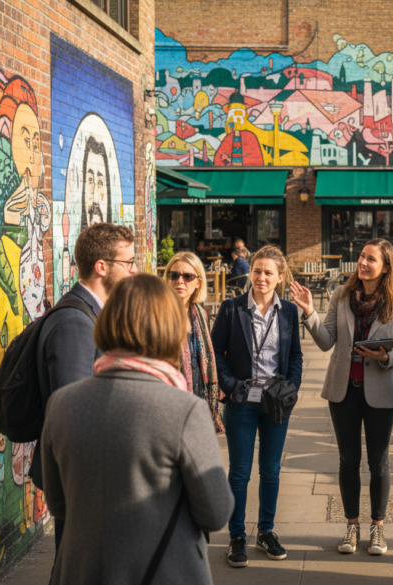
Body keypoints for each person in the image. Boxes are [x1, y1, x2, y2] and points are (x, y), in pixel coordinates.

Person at [40, 274, 233, 585]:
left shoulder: (61, 404)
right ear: (169, 328)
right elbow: (216, 512)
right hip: (165, 572)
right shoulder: (184, 410)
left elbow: (58, 503)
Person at [289, 239, 393, 556]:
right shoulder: (342, 296)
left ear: (386, 267)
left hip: (381, 391)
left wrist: (384, 357)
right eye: (361, 256)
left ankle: (378, 529)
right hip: (342, 391)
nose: (363, 262)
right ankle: (352, 526)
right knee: (348, 461)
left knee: (379, 462)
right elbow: (326, 340)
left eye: (371, 259)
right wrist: (308, 312)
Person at [31, 222, 137, 553]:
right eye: (128, 263)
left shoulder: (93, 312)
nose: (133, 271)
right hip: (83, 480)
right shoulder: (76, 322)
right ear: (102, 266)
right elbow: (74, 413)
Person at [211, 245, 304, 567]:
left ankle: (266, 531)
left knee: (271, 470)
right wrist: (232, 387)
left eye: (268, 273)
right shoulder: (231, 308)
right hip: (241, 403)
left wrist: (291, 388)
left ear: (280, 277)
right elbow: (215, 354)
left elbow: (294, 356)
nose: (261, 277)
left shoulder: (289, 311)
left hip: (276, 403)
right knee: (239, 473)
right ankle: (237, 535)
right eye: (257, 271)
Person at [164, 252, 223, 433]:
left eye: (188, 276)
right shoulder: (157, 314)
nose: (180, 281)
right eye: (174, 275)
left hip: (199, 400)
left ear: (198, 282)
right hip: (169, 403)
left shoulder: (200, 314)